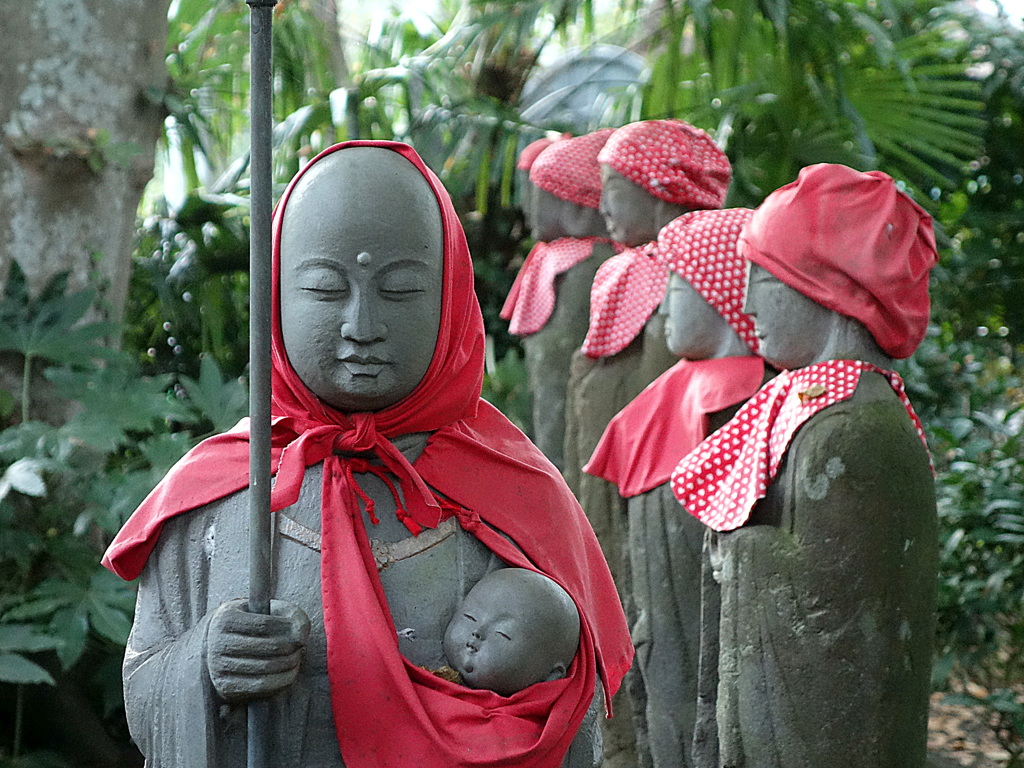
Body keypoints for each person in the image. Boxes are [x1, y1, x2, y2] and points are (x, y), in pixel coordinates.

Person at [102, 141, 632, 768]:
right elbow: (145, 679)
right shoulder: (216, 495)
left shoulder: (517, 495)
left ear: (450, 295)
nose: (361, 326)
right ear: (275, 296)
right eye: (325, 289)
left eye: (402, 290)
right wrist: (204, 663)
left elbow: (568, 714)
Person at [671, 163, 938, 768]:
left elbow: (834, 609)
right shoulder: (807, 409)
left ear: (830, 291)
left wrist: (741, 551)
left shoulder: (852, 434)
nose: (743, 303)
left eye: (762, 282)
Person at [561, 119, 731, 767]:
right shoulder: (617, 274)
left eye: (613, 185)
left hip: (667, 496)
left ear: (659, 191)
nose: (601, 200)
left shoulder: (697, 277)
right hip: (609, 487)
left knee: (666, 641)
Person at [584, 207, 769, 768]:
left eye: (677, 285)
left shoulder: (748, 406)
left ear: (724, 292)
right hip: (655, 630)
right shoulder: (671, 393)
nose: (662, 303)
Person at [501, 130, 620, 470]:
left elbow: (562, 352)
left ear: (576, 208)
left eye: (539, 195)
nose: (528, 208)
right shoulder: (555, 258)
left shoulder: (589, 266)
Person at [443, 568, 581, 697]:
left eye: (502, 633)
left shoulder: (533, 722)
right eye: (470, 617)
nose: (478, 632)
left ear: (551, 676)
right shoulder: (422, 686)